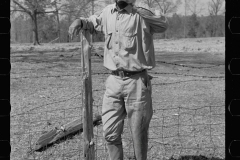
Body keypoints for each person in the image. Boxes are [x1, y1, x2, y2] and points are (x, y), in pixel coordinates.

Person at [68, 0, 168, 159]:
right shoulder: (108, 12)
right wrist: (80, 21)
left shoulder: (140, 12)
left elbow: (162, 25)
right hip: (113, 81)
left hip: (137, 82)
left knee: (139, 136)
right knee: (110, 133)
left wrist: (139, 7)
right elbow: (94, 22)